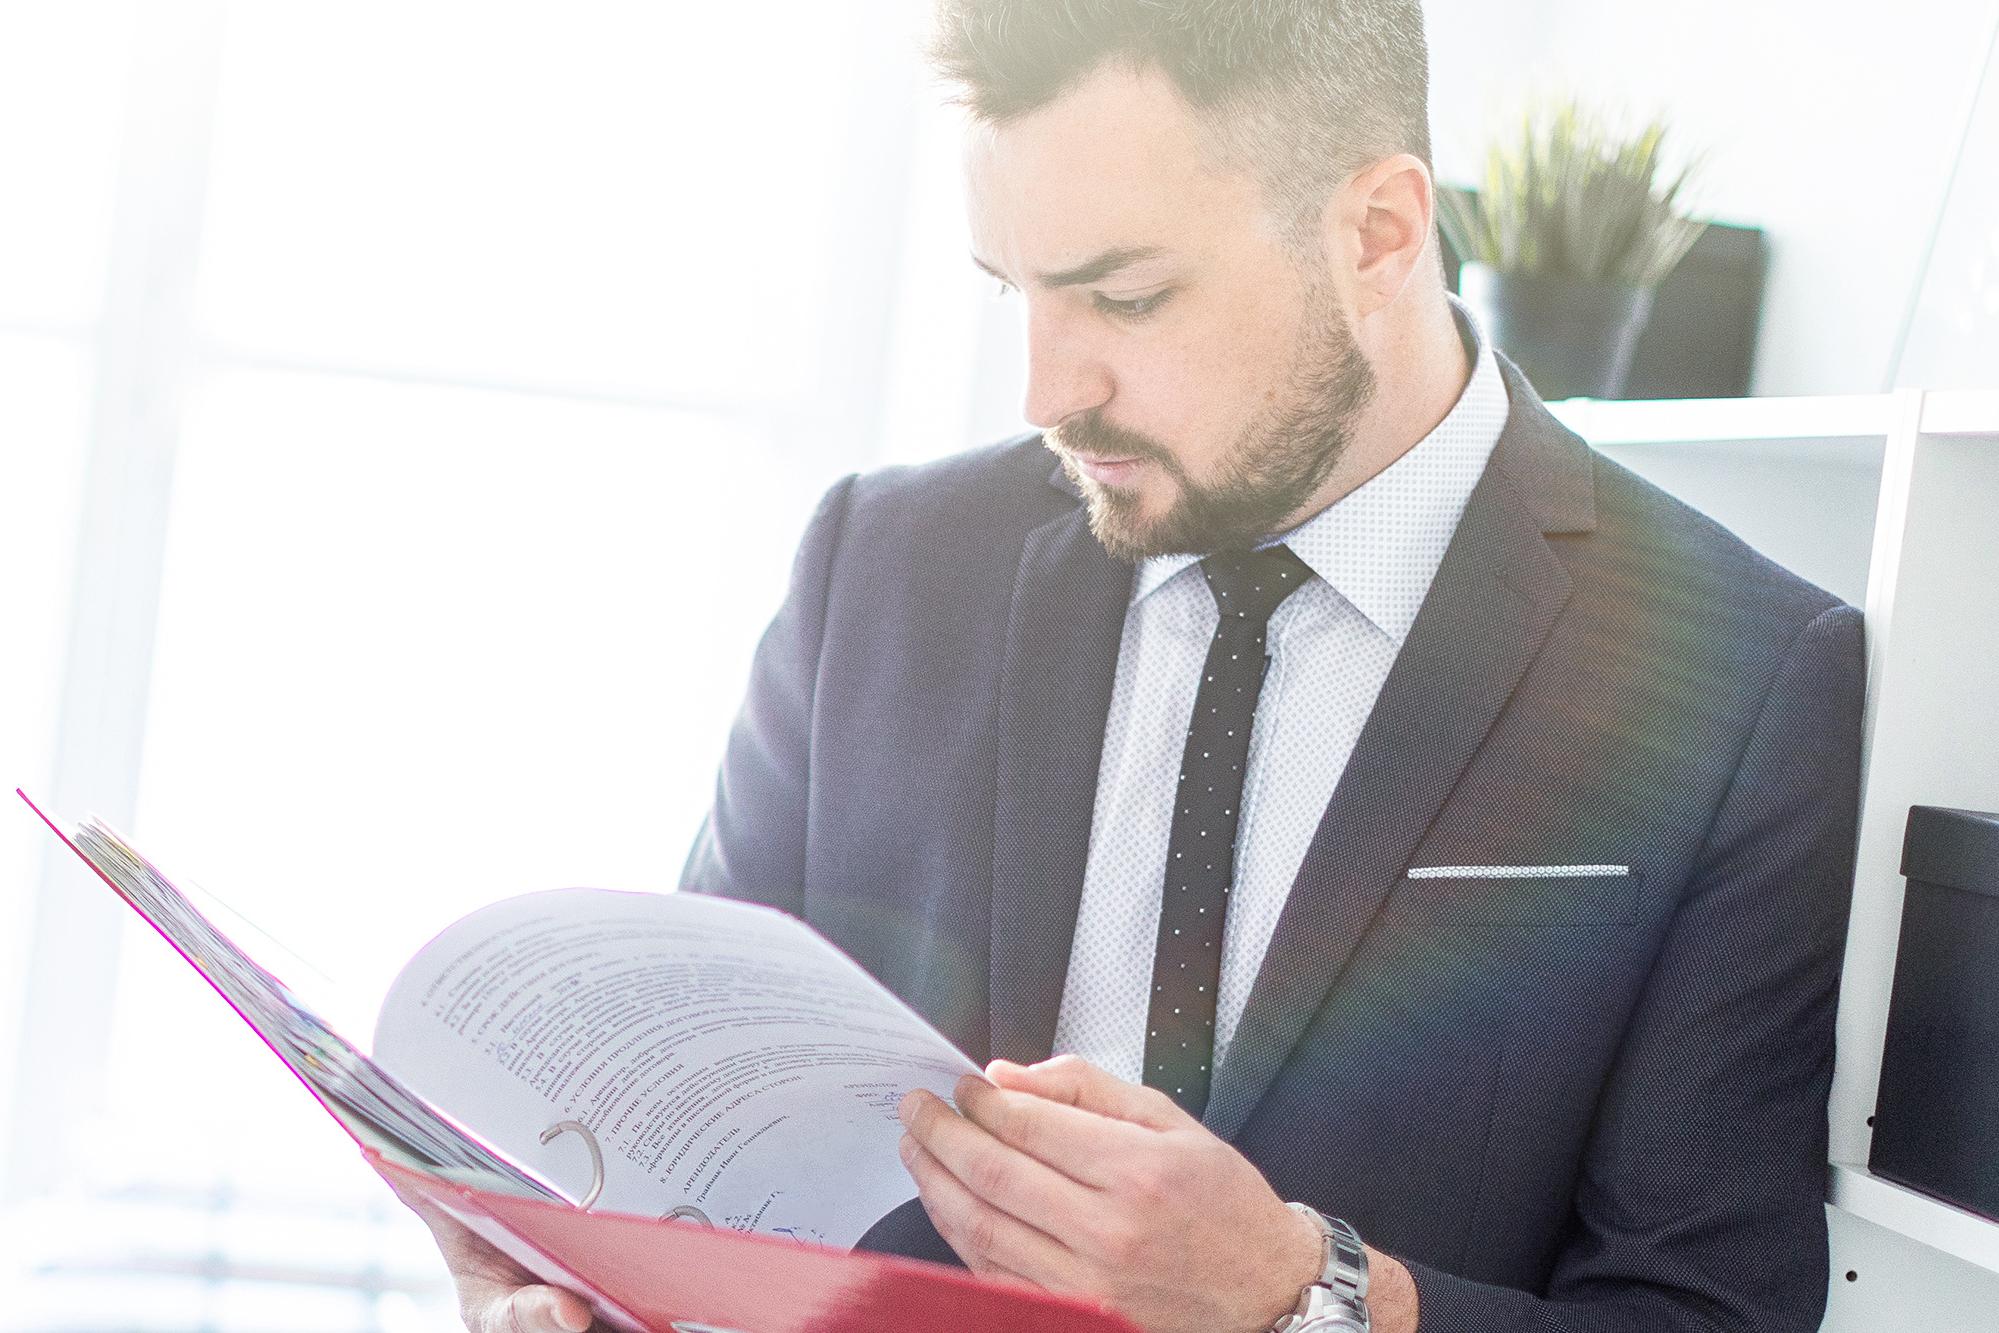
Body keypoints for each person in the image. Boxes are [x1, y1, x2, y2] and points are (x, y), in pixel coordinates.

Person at [394, 2, 1865, 1330]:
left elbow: (1709, 1314)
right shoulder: (879, 568)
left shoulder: (1742, 679)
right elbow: (678, 1127)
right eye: (1014, 291)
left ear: (1378, 232)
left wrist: (1300, 1295)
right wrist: (555, 1266)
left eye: (1127, 296)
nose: (1050, 389)